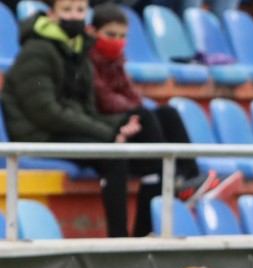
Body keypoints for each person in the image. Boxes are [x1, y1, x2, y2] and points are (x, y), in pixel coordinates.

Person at [2, 0, 171, 236]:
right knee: (112, 154)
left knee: (150, 149)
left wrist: (118, 127)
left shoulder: (78, 50)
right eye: (67, 10)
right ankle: (119, 241)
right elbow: (46, 112)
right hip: (40, 135)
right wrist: (109, 133)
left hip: (64, 130)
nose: (74, 16)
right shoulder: (36, 51)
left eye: (80, 10)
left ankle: (143, 234)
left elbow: (87, 110)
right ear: (51, 15)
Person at [88, 3, 235, 211]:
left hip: (124, 120)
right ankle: (175, 183)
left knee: (167, 113)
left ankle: (189, 178)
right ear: (93, 32)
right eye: (111, 34)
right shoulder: (87, 59)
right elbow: (104, 99)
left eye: (122, 36)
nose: (117, 41)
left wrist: (131, 108)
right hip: (104, 124)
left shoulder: (117, 59)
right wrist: (131, 110)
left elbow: (131, 94)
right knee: (144, 117)